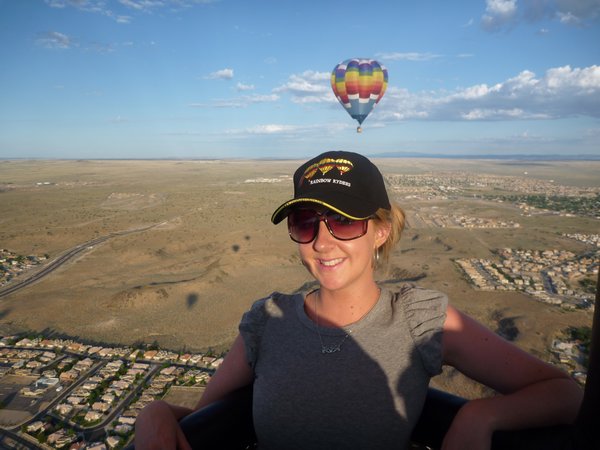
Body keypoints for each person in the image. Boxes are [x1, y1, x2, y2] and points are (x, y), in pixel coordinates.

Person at [135, 151, 583, 450]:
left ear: (381, 230)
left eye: (345, 223)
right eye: (306, 222)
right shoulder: (266, 321)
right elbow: (202, 421)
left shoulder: (421, 320)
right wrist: (154, 412)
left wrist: (481, 416)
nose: (323, 242)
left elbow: (565, 394)